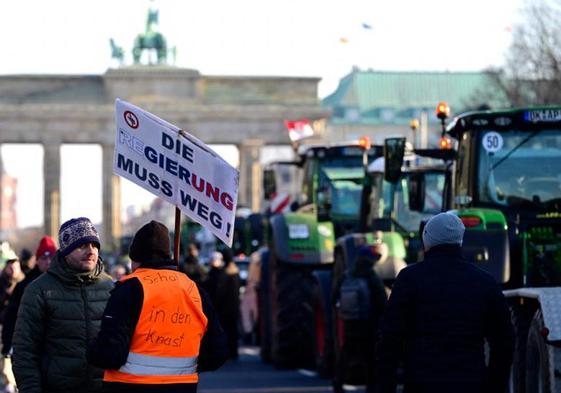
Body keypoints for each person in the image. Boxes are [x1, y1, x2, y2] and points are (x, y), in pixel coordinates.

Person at [376, 212, 514, 393]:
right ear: (460, 241)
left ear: (427, 241)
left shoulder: (409, 279)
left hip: (422, 384)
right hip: (470, 383)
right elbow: (504, 341)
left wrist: (386, 386)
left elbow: (389, 340)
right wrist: (493, 386)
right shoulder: (485, 282)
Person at [87, 220, 228, 393]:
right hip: (182, 387)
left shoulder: (129, 289)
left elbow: (110, 354)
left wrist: (91, 349)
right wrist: (186, 368)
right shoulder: (194, 290)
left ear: (135, 259)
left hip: (130, 386)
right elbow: (218, 351)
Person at [12, 217, 113, 393]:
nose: (91, 251)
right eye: (82, 245)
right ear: (66, 251)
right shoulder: (39, 290)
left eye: (94, 245)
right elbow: (25, 350)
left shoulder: (111, 288)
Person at [332, 245, 387, 393]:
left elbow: (334, 297)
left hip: (350, 323)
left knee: (346, 354)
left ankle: (338, 383)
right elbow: (381, 301)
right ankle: (371, 386)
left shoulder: (346, 275)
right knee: (370, 356)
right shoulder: (371, 276)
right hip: (368, 324)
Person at [2, 236, 57, 359]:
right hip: (32, 348)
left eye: (51, 257)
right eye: (43, 258)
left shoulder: (66, 282)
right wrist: (8, 344)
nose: (48, 262)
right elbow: (11, 316)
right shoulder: (24, 286)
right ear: (37, 260)